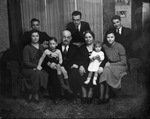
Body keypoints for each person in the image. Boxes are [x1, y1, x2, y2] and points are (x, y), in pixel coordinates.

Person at [69, 30, 105, 104]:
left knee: (93, 73)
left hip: (96, 66)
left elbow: (104, 58)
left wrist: (101, 66)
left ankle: (90, 92)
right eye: (86, 37)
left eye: (90, 37)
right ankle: (84, 92)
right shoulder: (81, 48)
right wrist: (81, 65)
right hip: (86, 66)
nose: (88, 39)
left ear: (93, 38)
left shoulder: (98, 46)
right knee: (82, 72)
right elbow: (78, 58)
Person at [97, 30, 127, 105]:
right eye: (108, 37)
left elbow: (124, 62)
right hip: (110, 64)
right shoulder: (104, 46)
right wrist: (102, 66)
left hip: (120, 66)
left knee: (107, 69)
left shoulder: (119, 46)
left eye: (112, 37)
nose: (110, 39)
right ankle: (101, 96)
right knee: (105, 70)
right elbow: (103, 58)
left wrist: (111, 65)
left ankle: (106, 95)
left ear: (115, 37)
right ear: (106, 38)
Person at [22, 29, 48, 103]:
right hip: (27, 68)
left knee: (44, 74)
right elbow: (26, 62)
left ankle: (32, 92)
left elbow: (44, 59)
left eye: (37, 36)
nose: (35, 38)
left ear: (39, 37)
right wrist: (35, 67)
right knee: (37, 73)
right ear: (30, 37)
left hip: (38, 67)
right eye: (33, 36)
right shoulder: (27, 48)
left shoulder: (41, 47)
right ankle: (35, 93)